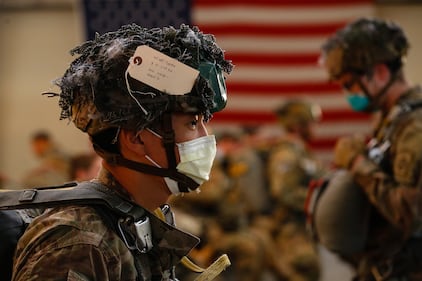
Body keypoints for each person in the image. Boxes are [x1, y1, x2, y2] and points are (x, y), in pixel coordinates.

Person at [12, 23, 233, 281]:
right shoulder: (80, 244)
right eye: (192, 123)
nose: (205, 138)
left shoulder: (137, 220)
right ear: (137, 140)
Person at [318, 18, 422, 280]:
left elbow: (411, 215)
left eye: (350, 84)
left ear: (381, 73)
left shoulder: (414, 128)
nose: (347, 93)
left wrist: (356, 163)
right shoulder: (393, 121)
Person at [267, 99, 325, 281]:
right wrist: (319, 201)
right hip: (290, 233)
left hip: (303, 229)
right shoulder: (286, 153)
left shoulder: (301, 152)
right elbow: (283, 191)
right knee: (303, 271)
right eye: (310, 123)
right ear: (298, 125)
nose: (315, 127)